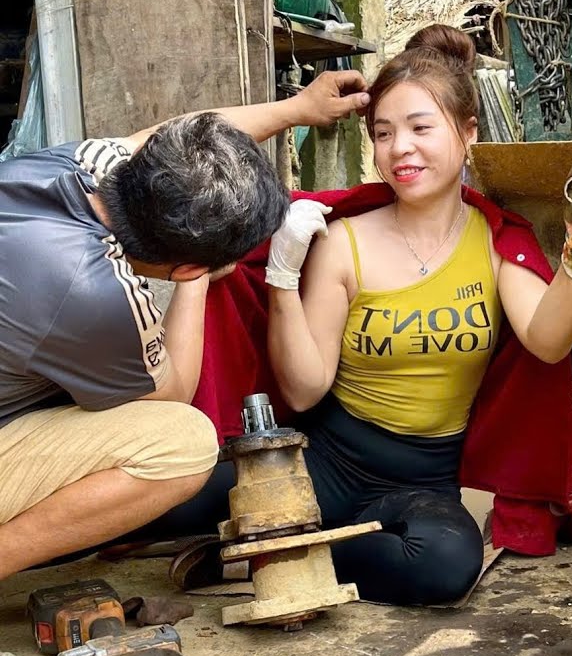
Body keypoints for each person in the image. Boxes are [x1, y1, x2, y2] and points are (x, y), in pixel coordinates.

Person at [138, 25, 572, 606]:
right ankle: (271, 538)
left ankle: (266, 554)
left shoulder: (495, 243)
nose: (401, 148)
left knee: (445, 566)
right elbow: (302, 393)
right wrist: (281, 277)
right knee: (154, 498)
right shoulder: (342, 239)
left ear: (468, 133)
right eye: (383, 133)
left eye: (422, 128)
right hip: (323, 461)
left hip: (423, 480)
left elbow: (548, 343)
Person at [0, 70, 371, 584]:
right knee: (183, 443)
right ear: (190, 265)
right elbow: (172, 395)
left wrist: (297, 109)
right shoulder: (96, 295)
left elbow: (168, 135)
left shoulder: (80, 165)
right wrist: (197, 283)